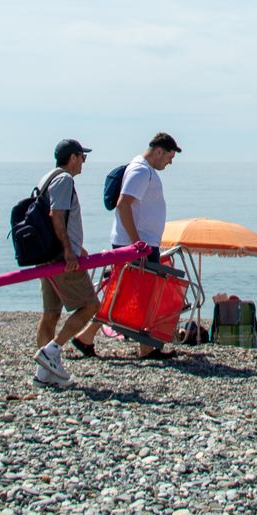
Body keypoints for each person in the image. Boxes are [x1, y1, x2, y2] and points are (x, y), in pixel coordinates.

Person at [71, 132, 182, 360]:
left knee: (132, 294)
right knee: (131, 295)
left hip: (139, 244)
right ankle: (90, 337)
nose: (169, 163)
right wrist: (136, 244)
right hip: (137, 246)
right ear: (159, 151)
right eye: (169, 157)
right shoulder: (141, 170)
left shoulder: (143, 169)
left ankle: (135, 345)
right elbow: (123, 205)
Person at [33, 139, 101, 388]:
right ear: (73, 157)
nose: (84, 162)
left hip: (46, 256)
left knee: (50, 314)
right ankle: (53, 350)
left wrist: (77, 247)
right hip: (61, 258)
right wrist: (69, 252)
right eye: (83, 157)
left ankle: (44, 374)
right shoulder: (64, 180)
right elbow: (57, 215)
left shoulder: (47, 178)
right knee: (91, 305)